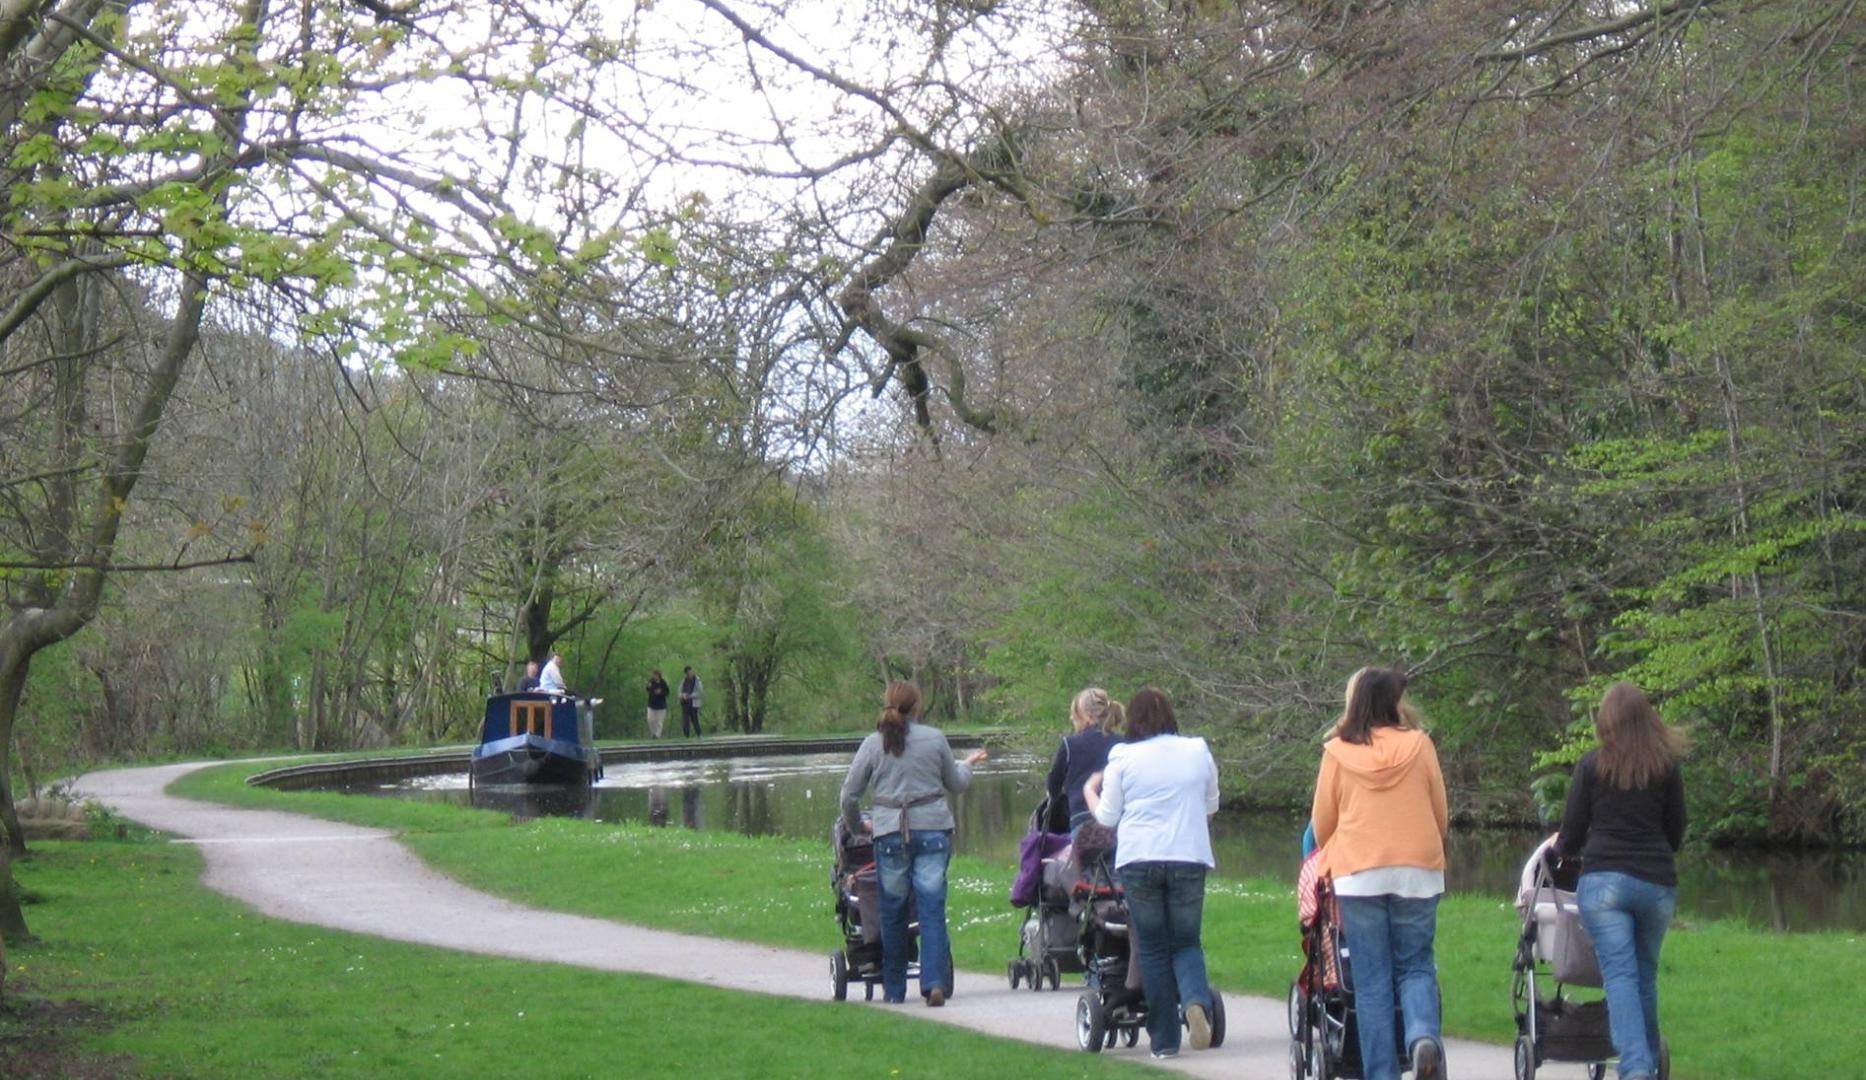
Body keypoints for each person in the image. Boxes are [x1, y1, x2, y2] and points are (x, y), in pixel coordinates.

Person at [1310, 666, 1449, 1080]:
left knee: (1371, 980)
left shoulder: (1337, 752)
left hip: (1359, 872)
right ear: (1394, 703)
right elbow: (1439, 812)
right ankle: (1422, 1035)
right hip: (1417, 870)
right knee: (1417, 965)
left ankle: (1381, 1073)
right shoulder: (1420, 745)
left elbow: (1322, 825)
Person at [1556, 682, 1686, 1080]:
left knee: (1621, 976)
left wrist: (1563, 852)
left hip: (1606, 883)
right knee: (1644, 974)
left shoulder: (1593, 766)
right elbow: (1677, 828)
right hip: (1655, 882)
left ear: (1606, 721)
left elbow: (1573, 832)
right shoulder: (1666, 766)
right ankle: (1644, 1059)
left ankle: (1636, 1068)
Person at [1083, 688, 1219, 1060]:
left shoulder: (1123, 757)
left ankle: (1164, 1042)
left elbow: (1108, 817)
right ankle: (1194, 1001)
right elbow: (1211, 805)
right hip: (1188, 856)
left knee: (1154, 949)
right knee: (1187, 942)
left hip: (1140, 858)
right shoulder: (1197, 750)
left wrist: (1088, 792)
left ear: (1133, 720)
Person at [838, 680, 986, 1007]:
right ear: (917, 706)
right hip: (932, 831)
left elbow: (848, 795)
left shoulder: (873, 744)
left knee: (892, 911)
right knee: (931, 908)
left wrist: (858, 826)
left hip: (890, 832)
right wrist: (967, 765)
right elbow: (957, 784)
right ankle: (933, 982)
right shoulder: (934, 738)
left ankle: (894, 990)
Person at [1044, 687, 1123, 836]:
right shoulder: (1123, 744)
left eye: (1075, 714)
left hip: (1082, 821)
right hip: (1119, 823)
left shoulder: (1070, 744)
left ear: (1086, 716)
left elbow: (1053, 787)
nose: (1071, 718)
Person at [645, 670, 670, 739]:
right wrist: (648, 687)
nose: (654, 676)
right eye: (653, 675)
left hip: (661, 706)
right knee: (650, 719)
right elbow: (647, 689)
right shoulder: (651, 682)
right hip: (651, 704)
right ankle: (653, 733)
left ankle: (657, 735)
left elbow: (667, 692)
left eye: (655, 675)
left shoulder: (663, 683)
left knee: (659, 722)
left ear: (659, 675)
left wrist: (661, 692)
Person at [679, 666, 703, 737]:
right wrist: (682, 695)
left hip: (694, 703)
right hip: (685, 703)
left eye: (690, 672)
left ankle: (699, 733)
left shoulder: (697, 680)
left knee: (694, 719)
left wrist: (690, 696)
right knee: (685, 720)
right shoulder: (683, 681)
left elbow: (700, 692)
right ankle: (686, 735)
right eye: (688, 673)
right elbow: (679, 691)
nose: (689, 674)